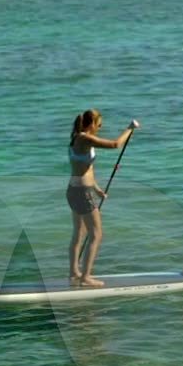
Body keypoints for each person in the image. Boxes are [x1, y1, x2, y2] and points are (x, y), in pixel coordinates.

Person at [67, 109, 137, 288]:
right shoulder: (85, 138)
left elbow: (84, 168)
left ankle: (74, 273)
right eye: (99, 125)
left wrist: (97, 189)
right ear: (91, 124)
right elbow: (115, 144)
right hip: (83, 193)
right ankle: (85, 277)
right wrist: (130, 129)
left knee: (79, 233)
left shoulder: (76, 137)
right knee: (96, 235)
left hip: (74, 190)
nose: (100, 128)